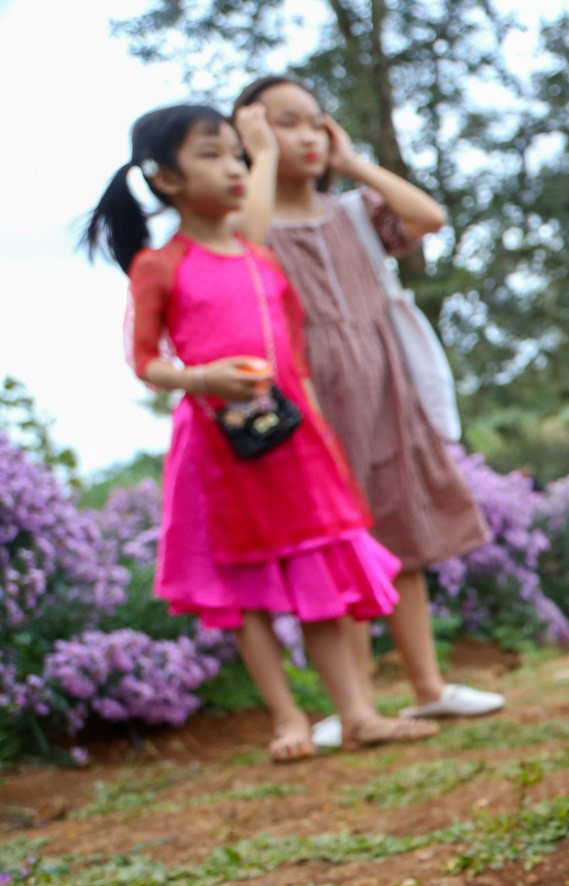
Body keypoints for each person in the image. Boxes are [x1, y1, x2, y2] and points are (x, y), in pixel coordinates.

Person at [82, 103, 440, 762]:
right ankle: (287, 720)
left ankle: (357, 713)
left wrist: (315, 421)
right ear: (165, 179)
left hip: (294, 438)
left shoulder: (261, 260)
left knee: (318, 570)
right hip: (217, 449)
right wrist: (202, 378)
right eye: (211, 155)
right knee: (244, 585)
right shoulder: (159, 266)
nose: (234, 168)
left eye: (237, 154)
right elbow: (145, 361)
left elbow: (293, 355)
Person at [231, 77, 503, 750]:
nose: (305, 136)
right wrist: (259, 159)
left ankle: (429, 687)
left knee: (400, 530)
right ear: (251, 136)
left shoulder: (352, 211)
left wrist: (352, 163)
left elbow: (428, 217)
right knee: (338, 543)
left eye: (314, 122)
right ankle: (355, 707)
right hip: (312, 397)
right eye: (283, 124)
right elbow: (246, 247)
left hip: (384, 389)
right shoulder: (252, 218)